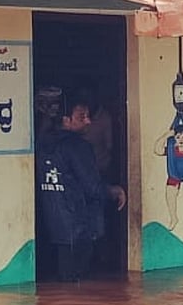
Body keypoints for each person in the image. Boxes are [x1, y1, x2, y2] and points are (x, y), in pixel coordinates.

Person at [35, 91, 126, 282]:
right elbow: (92, 186)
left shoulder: (42, 143)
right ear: (66, 120)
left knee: (60, 285)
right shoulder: (78, 146)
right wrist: (113, 191)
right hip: (77, 227)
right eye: (81, 117)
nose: (88, 122)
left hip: (50, 227)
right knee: (76, 284)